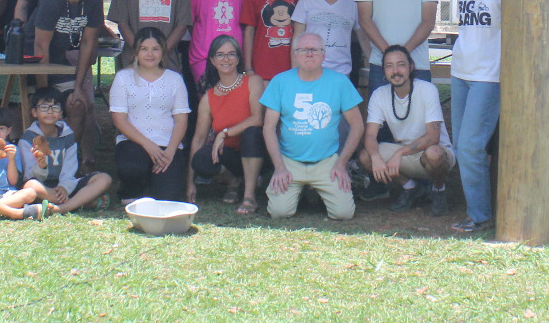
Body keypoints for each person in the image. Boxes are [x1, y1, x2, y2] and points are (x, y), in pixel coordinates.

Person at [261, 32, 364, 220]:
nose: (309, 54)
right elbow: (268, 127)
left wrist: (342, 163)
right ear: (295, 54)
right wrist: (279, 166)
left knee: (343, 214)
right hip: (290, 161)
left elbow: (357, 126)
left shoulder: (339, 82)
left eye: (315, 50)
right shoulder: (280, 81)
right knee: (279, 212)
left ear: (324, 55)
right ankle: (301, 192)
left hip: (326, 161)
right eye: (303, 50)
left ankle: (314, 189)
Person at [30, 0, 105, 166]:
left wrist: (79, 85)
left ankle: (67, 162)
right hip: (39, 62)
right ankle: (43, 162)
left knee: (78, 105)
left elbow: (88, 42)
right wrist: (44, 92)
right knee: (48, 107)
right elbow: (40, 45)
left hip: (67, 64)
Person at [449, 0, 501, 233]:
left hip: (488, 76)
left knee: (470, 145)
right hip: (460, 72)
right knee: (461, 144)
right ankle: (476, 211)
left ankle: (480, 215)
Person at [362, 45, 454, 215]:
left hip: (432, 152)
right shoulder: (379, 94)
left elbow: (433, 137)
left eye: (401, 65)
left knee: (434, 153)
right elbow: (370, 135)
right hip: (405, 153)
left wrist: (399, 154)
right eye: (389, 66)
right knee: (366, 156)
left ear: (411, 67)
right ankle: (410, 188)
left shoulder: (427, 90)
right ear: (383, 70)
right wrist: (375, 157)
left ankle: (438, 189)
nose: (395, 71)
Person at [108, 26, 191, 203]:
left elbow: (181, 120)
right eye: (144, 49)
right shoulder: (123, 78)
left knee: (167, 197)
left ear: (163, 51)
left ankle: (156, 182)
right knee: (132, 167)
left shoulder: (174, 79)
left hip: (167, 145)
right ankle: (131, 190)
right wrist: (149, 145)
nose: (150, 54)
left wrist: (170, 151)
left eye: (155, 49)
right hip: (133, 143)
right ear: (136, 52)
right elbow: (119, 119)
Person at [186, 34, 267, 214]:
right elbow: (198, 140)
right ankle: (233, 180)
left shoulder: (253, 81)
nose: (226, 59)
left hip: (257, 150)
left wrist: (224, 133)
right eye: (220, 55)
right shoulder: (209, 98)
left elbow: (257, 119)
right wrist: (190, 183)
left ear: (238, 59)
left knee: (251, 133)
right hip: (230, 156)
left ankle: (249, 196)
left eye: (232, 54)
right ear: (213, 61)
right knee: (200, 159)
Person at [17, 89, 112, 214]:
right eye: (44, 107)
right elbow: (29, 175)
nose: (50, 111)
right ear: (34, 112)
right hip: (43, 186)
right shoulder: (27, 139)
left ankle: (62, 208)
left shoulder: (68, 136)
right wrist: (41, 166)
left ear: (61, 113)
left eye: (55, 107)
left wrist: (64, 187)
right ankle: (80, 202)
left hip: (65, 184)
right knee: (31, 185)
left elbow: (70, 168)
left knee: (104, 178)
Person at [291, 0, 361, 79]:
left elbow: (363, 38)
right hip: (310, 71)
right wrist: (295, 74)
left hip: (342, 73)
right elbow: (297, 40)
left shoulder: (353, 3)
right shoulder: (306, 1)